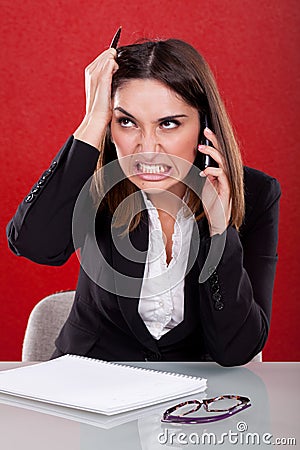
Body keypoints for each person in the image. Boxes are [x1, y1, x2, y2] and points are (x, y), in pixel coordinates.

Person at [6, 38, 280, 366]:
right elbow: (34, 244)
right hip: (91, 382)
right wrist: (93, 120)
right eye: (127, 122)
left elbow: (236, 349)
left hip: (193, 395)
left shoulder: (258, 194)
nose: (147, 148)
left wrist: (219, 229)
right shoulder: (99, 181)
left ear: (204, 126)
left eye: (168, 124)